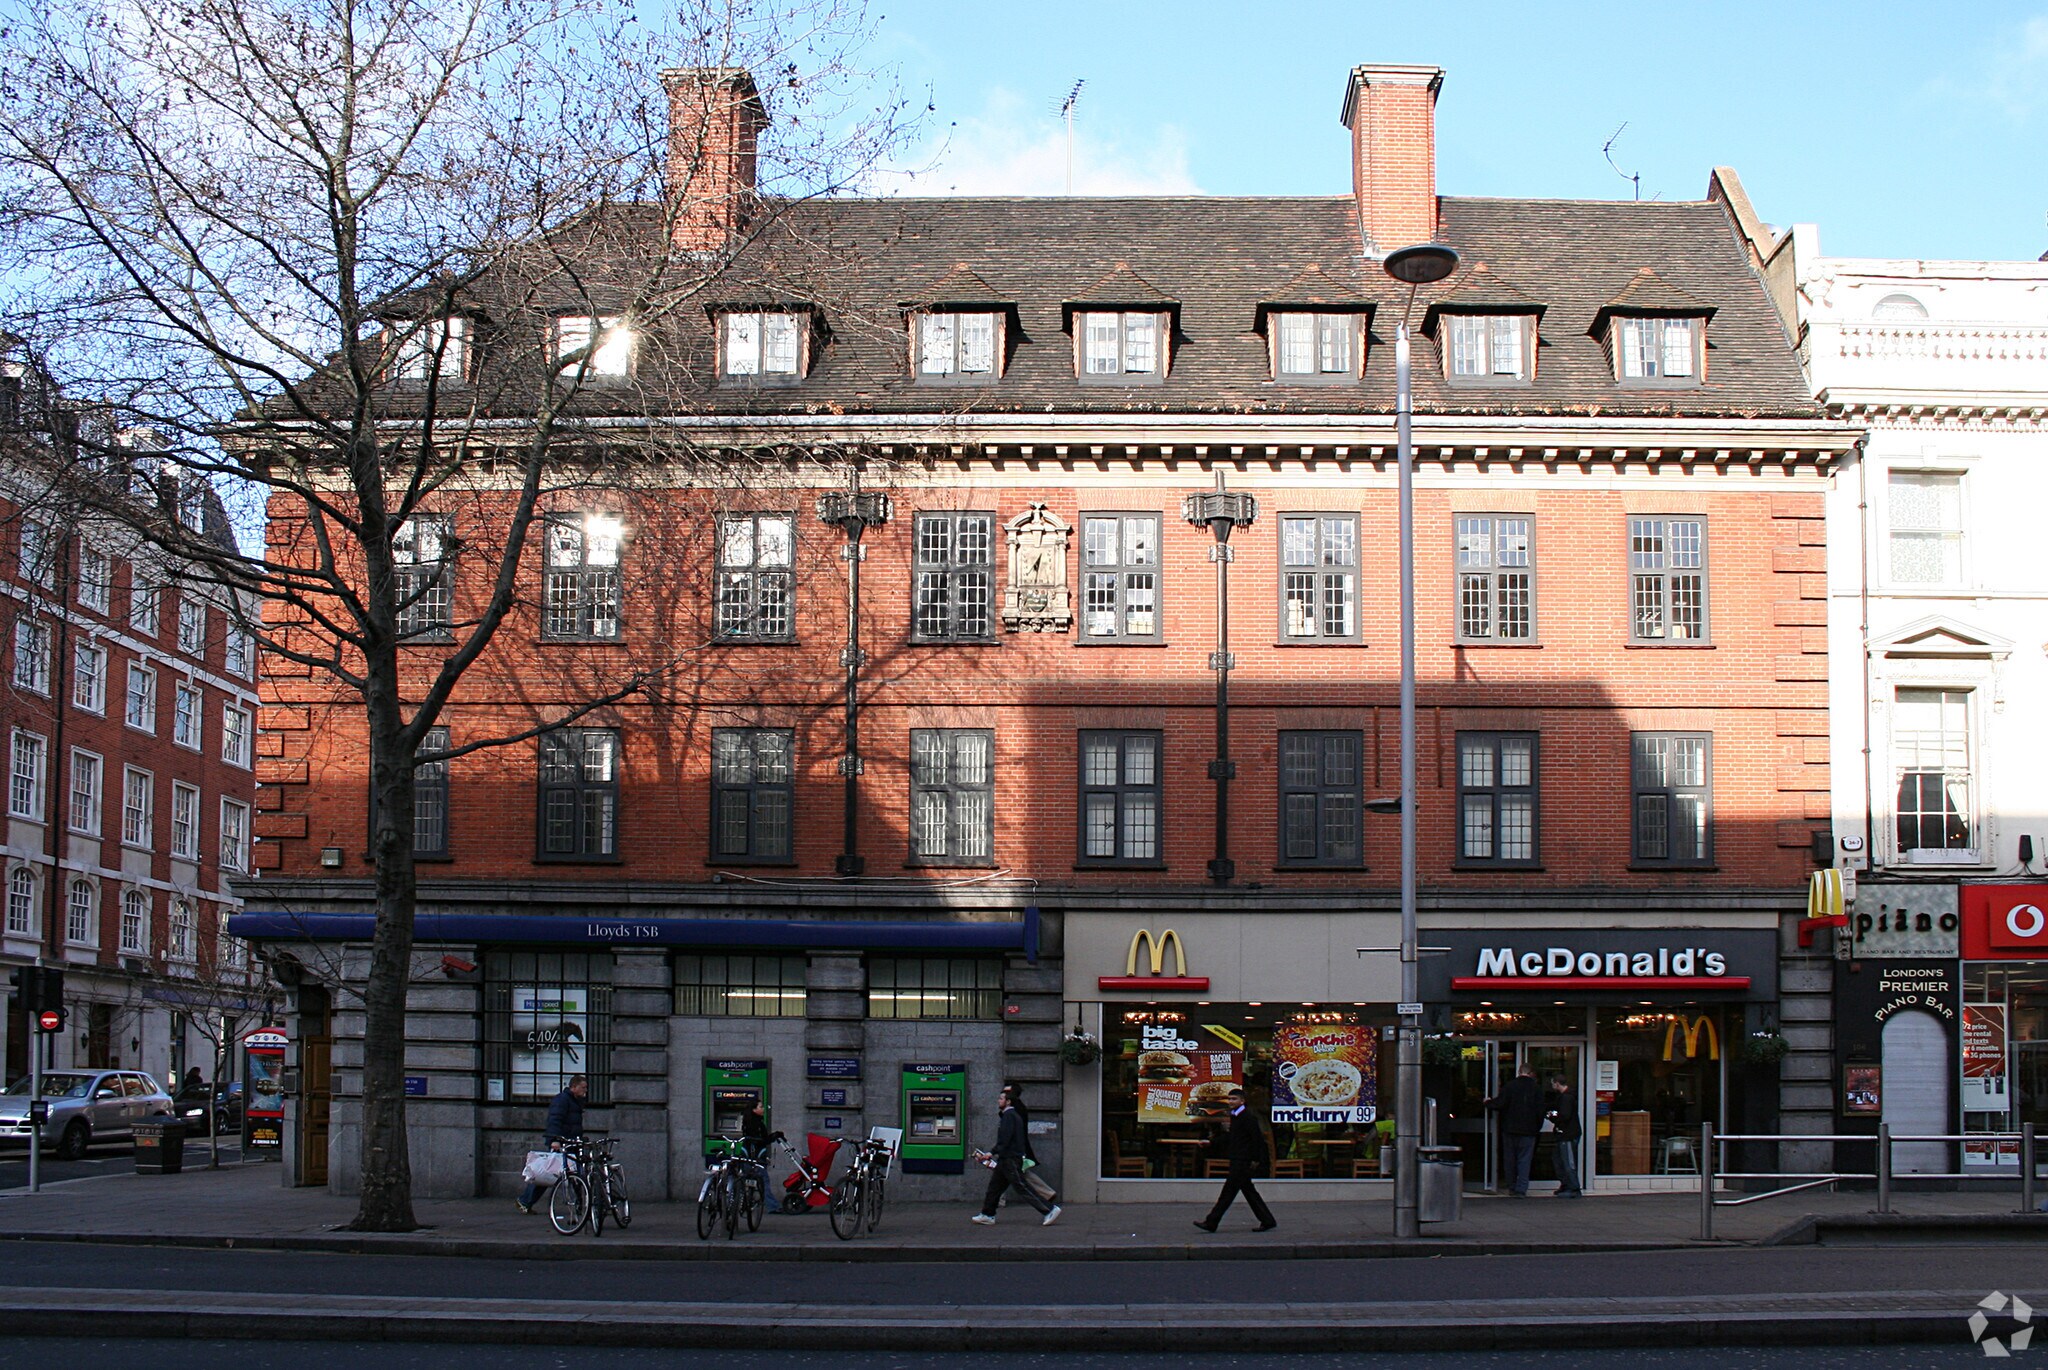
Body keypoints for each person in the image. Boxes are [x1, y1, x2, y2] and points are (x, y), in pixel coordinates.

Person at [971, 1084, 1059, 1225]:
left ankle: (1049, 1209)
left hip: (1010, 1158)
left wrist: (991, 1153)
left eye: (1001, 1098)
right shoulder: (1012, 1115)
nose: (998, 1101)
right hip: (1007, 1158)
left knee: (1021, 1187)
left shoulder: (1009, 1116)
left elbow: (1005, 1139)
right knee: (994, 1188)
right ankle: (987, 1214)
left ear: (1009, 1101)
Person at [1194, 1087, 1276, 1233]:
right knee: (1249, 1193)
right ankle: (1267, 1220)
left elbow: (1256, 1139)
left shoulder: (1248, 1117)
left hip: (1242, 1160)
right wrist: (1211, 1142)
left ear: (1242, 1101)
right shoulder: (1235, 1117)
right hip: (1237, 1158)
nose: (1231, 1102)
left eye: (1234, 1099)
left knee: (1228, 1193)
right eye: (1230, 1099)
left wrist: (1256, 1159)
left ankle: (1211, 1221)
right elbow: (1231, 1137)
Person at [516, 1073, 587, 1214]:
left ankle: (580, 1204)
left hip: (571, 1142)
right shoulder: (562, 1100)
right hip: (562, 1143)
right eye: (583, 1087)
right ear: (573, 1087)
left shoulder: (574, 1101)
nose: (585, 1090)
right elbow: (554, 1120)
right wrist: (554, 1140)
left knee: (569, 1174)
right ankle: (525, 1200)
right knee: (549, 1173)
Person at [1486, 1063, 1545, 1197]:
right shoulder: (1536, 1089)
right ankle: (1521, 1189)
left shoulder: (1510, 1086)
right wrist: (1536, 1128)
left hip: (1510, 1129)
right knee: (1524, 1160)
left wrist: (1487, 1102)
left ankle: (1511, 1186)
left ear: (1519, 1072)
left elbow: (1499, 1103)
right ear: (1531, 1073)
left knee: (1510, 1159)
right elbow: (1540, 1111)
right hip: (1528, 1131)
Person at [1002, 1082, 1059, 1208]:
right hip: (1015, 1148)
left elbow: (1012, 1132)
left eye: (1006, 1093)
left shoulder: (1014, 1109)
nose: (1002, 1095)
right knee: (1011, 1173)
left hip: (1014, 1149)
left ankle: (1047, 1194)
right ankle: (1047, 1193)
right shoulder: (1015, 1108)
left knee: (1014, 1173)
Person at [1546, 1072, 1584, 1199]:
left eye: (1553, 1084)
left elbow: (1564, 1116)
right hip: (1566, 1134)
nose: (1552, 1086)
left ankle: (1574, 1188)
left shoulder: (1566, 1098)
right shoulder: (1567, 1096)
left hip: (1567, 1134)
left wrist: (1552, 1116)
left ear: (1557, 1083)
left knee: (1568, 1162)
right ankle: (1566, 1185)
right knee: (1559, 1161)